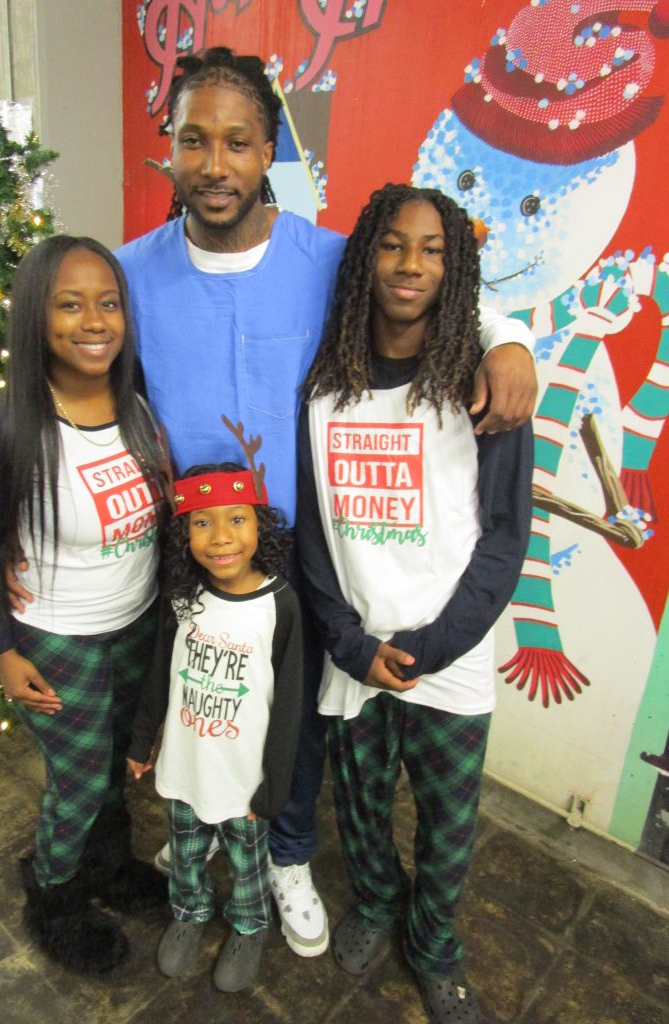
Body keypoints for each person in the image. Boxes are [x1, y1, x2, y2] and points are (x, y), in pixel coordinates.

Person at [13, 46, 538, 958]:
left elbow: (423, 284)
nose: (214, 165)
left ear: (269, 153)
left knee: (289, 722)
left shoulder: (328, 258)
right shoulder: (131, 273)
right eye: (193, 141)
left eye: (238, 142)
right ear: (169, 149)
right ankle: (189, 855)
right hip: (179, 551)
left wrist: (512, 338)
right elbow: (59, 363)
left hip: (297, 558)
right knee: (189, 710)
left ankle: (288, 857)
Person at [297, 184, 533, 1022]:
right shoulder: (326, 384)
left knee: (447, 827)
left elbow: (505, 537)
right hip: (357, 654)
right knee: (359, 812)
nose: (410, 265)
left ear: (455, 263)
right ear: (367, 257)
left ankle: (434, 947)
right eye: (394, 245)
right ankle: (376, 903)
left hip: (450, 661)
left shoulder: (481, 385)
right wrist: (348, 642)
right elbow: (316, 531)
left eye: (433, 249)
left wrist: (434, 646)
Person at [0, 235, 169, 975]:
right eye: (70, 304)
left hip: (134, 621)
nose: (93, 321)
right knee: (76, 788)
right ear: (36, 319)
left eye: (107, 303)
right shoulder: (9, 430)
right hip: (56, 637)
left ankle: (110, 868)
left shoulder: (137, 402)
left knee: (114, 770)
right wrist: (2, 654)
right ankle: (52, 896)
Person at [126, 458, 302, 992]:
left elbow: (290, 706)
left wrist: (272, 787)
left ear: (260, 526)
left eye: (236, 520)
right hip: (185, 765)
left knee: (248, 863)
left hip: (243, 778)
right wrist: (141, 741)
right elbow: (160, 672)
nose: (221, 537)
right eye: (202, 522)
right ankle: (189, 910)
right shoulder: (183, 598)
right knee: (183, 849)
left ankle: (250, 925)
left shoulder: (279, 605)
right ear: (184, 534)